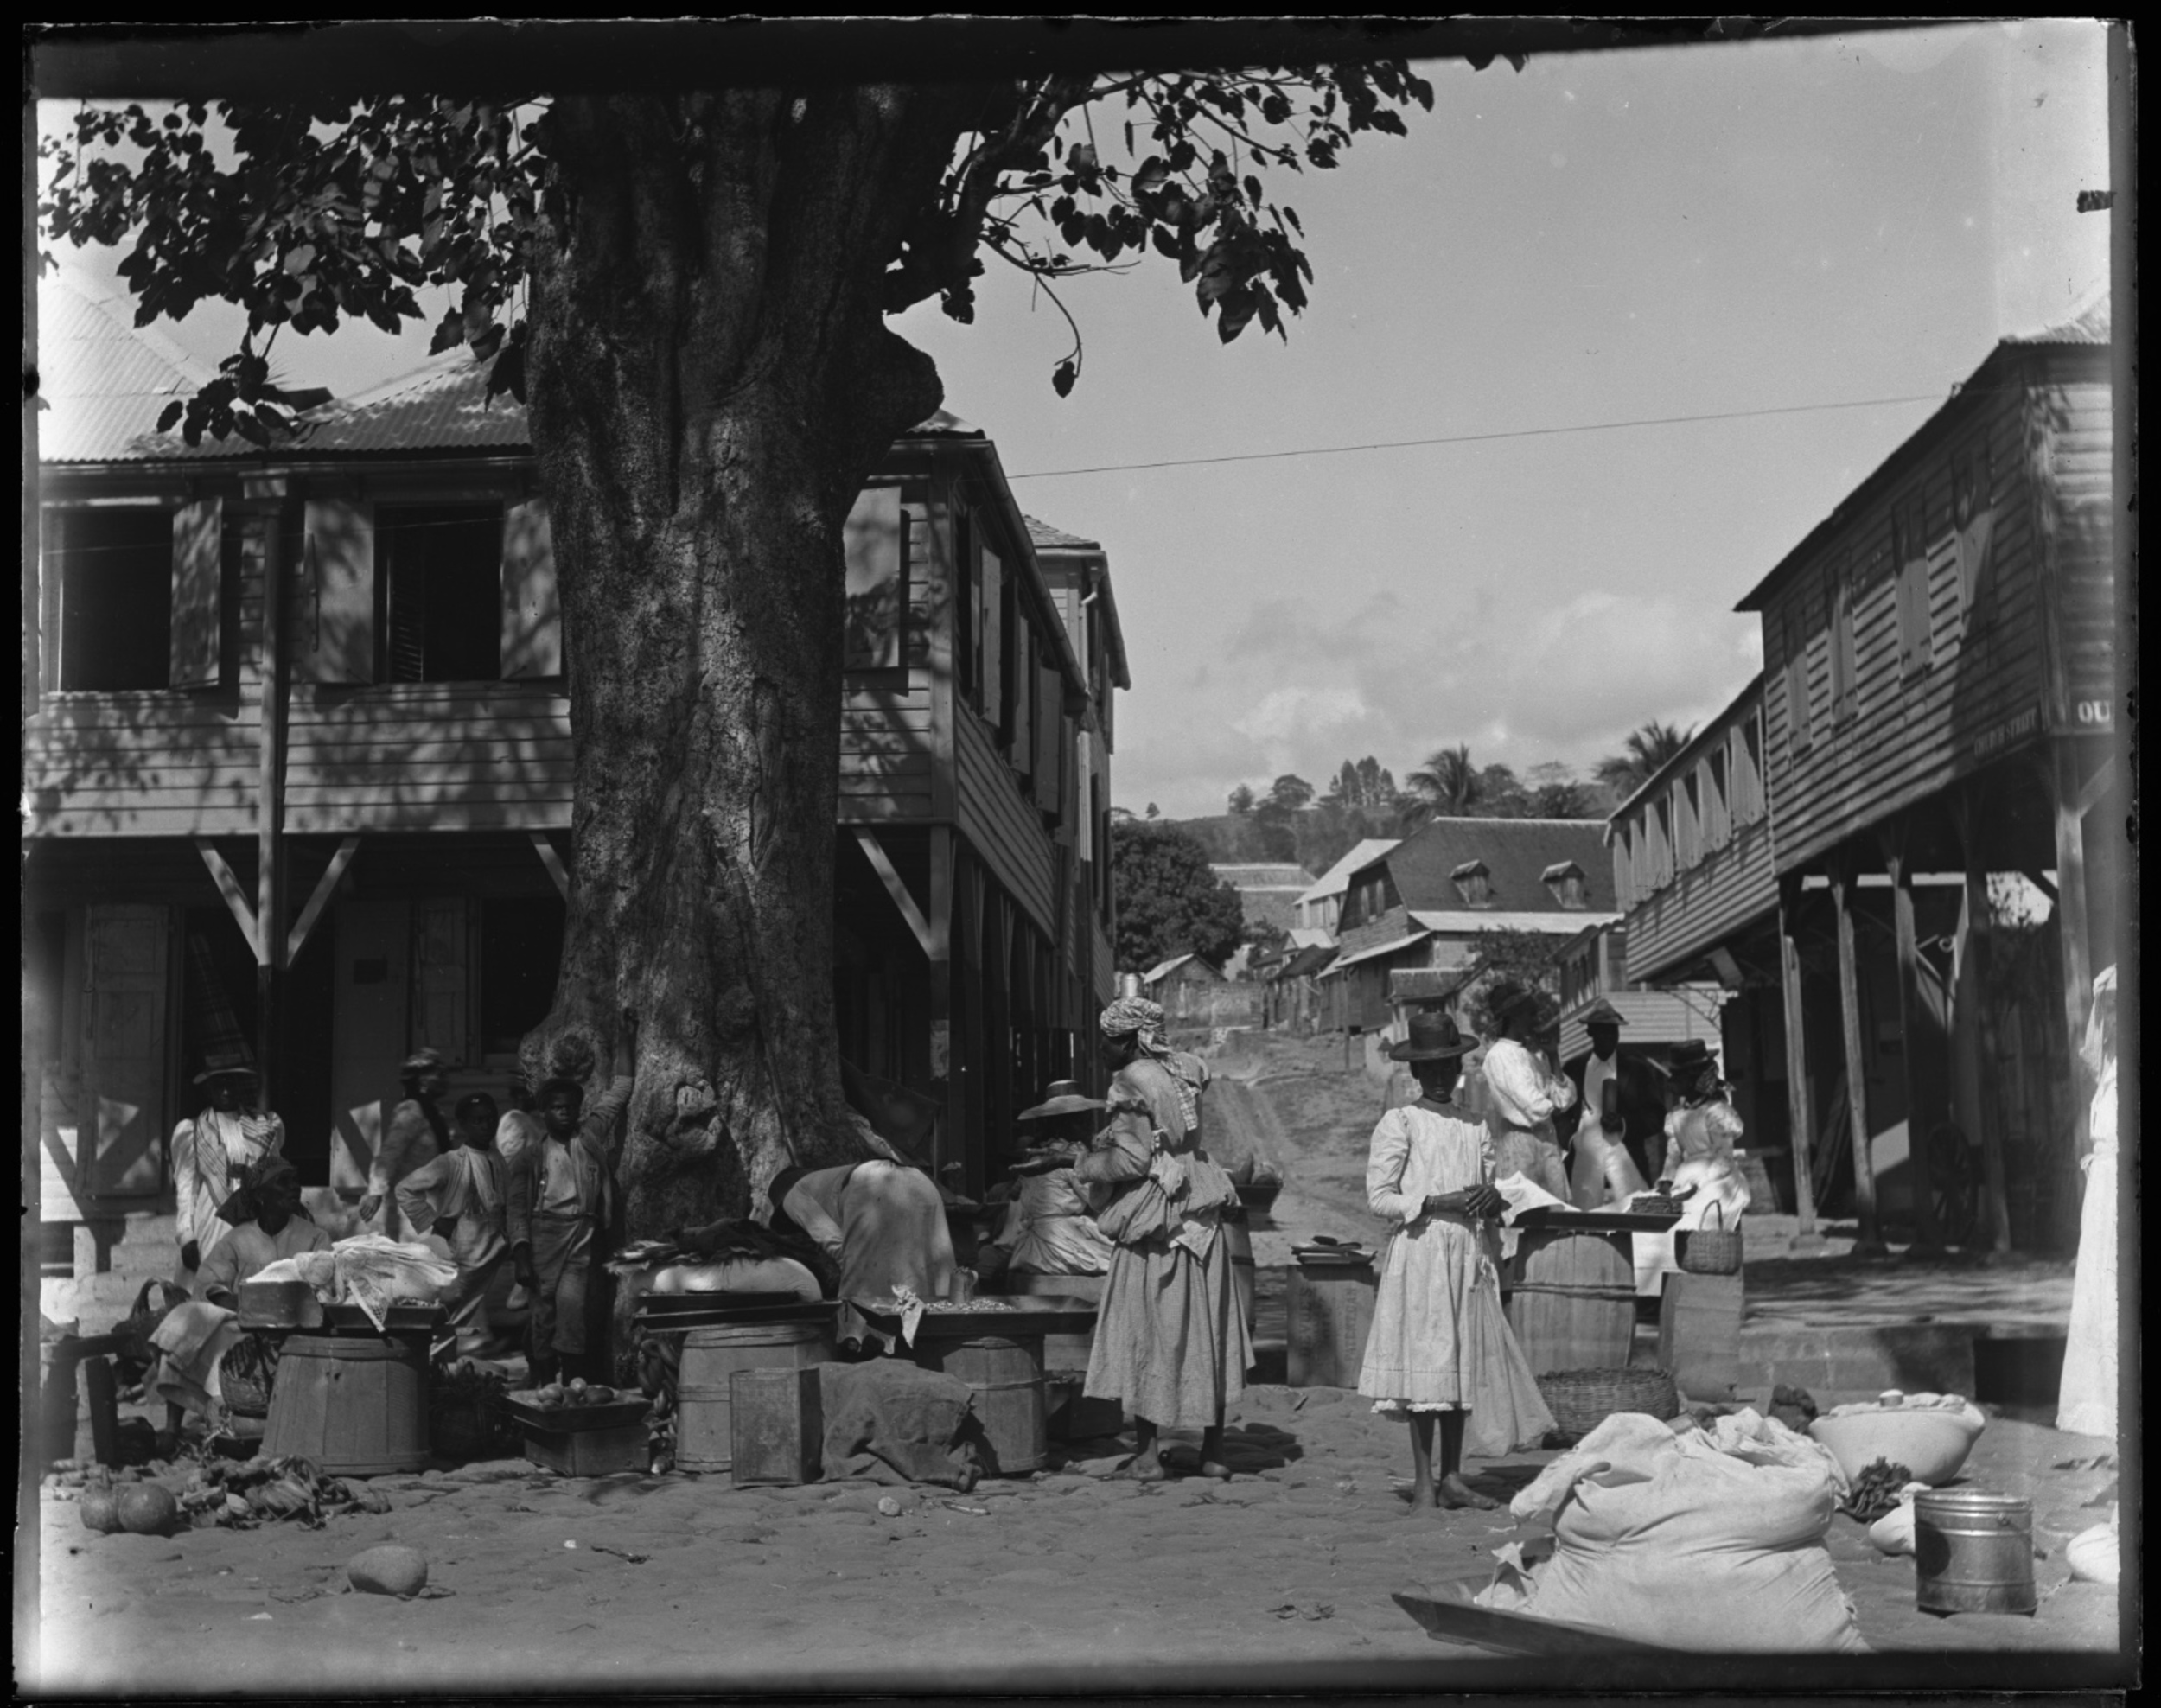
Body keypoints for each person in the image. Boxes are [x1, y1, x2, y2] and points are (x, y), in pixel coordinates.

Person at [1358, 1010, 1557, 1511]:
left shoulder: (1475, 1126)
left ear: (1458, 1068)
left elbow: (1487, 1186)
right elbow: (1379, 1196)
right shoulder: (1401, 1122)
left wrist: (1492, 1201)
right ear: (1417, 1074)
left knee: (1461, 1365)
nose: (1443, 1076)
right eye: (1433, 1069)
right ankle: (1424, 1481)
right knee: (1429, 1364)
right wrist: (1430, 1202)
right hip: (1424, 1252)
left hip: (1468, 1256)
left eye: (1450, 1066)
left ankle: (1453, 1476)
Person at [1075, 996, 1249, 1482]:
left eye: (1109, 1042)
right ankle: (1214, 1452)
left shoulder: (1129, 1083)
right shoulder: (1188, 1068)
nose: (1102, 1050)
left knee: (1147, 1327)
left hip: (1157, 1213)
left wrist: (1085, 1165)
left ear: (1130, 1040)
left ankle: (1149, 1456)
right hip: (1202, 1207)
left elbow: (1132, 1161)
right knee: (1207, 1328)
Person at [151, 1154, 331, 1426]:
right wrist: (243, 1306)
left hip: (297, 1328)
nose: (294, 1188)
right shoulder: (237, 1239)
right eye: (283, 1182)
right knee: (187, 1318)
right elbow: (209, 1284)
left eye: (295, 1181)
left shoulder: (314, 1237)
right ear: (260, 1196)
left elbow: (326, 1285)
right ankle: (175, 1428)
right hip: (245, 1327)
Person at [507, 1068, 634, 1386]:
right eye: (556, 1107)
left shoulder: (588, 1138)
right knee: (543, 1314)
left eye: (571, 1107)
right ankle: (544, 1383)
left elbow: (620, 1089)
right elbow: (516, 1213)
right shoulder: (529, 1159)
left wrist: (625, 1035)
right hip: (543, 1238)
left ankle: (574, 1385)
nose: (565, 1112)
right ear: (544, 1112)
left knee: (572, 1313)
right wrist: (521, 1255)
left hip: (581, 1236)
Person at [762, 1155, 962, 1324]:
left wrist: (847, 1279)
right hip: (921, 1182)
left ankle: (863, 1346)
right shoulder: (822, 1181)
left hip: (873, 1186)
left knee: (860, 1303)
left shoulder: (794, 1195)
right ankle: (939, 1331)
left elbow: (834, 1242)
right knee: (932, 1267)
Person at [396, 1091, 517, 1358]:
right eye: (476, 1121)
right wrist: (432, 1223)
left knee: (464, 1317)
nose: (485, 1125)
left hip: (492, 1252)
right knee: (448, 1318)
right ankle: (436, 1376)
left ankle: (454, 1370)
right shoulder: (450, 1163)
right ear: (463, 1124)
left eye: (489, 1119)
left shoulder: (497, 1160)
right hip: (464, 1253)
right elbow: (405, 1188)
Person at [1634, 1038, 1752, 1294]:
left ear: (1696, 1077)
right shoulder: (1677, 1114)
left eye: (1679, 1076)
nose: (1674, 1081)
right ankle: (1660, 1292)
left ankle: (1715, 1293)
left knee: (1698, 1217)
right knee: (1651, 1214)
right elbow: (1674, 1155)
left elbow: (1724, 1159)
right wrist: (1666, 1180)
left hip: (1719, 1181)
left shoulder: (1717, 1112)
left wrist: (1697, 1185)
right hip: (1685, 1181)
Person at [2057, 966, 2118, 1442]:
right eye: (2109, 1008)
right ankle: (2099, 1400)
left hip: (2121, 1182)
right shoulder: (2110, 1067)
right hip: (2102, 1187)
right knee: (2097, 1291)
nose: (2113, 1017)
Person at [981, 1080, 1114, 1279]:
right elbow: (1098, 1201)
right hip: (1061, 1242)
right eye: (1085, 1118)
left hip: (1030, 1246)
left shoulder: (1037, 1155)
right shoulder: (1072, 1153)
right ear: (1076, 1121)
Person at [171, 1058, 286, 1284]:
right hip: (214, 1219)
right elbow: (186, 1188)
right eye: (218, 1084)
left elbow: (274, 1174)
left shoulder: (263, 1126)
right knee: (214, 1282)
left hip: (253, 1217)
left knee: (252, 1282)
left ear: (240, 1085)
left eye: (231, 1083)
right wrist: (186, 1236)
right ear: (208, 1089)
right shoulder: (193, 1130)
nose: (225, 1090)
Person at [1476, 979, 1577, 1204]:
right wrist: (1556, 1111)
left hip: (1546, 1143)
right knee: (1522, 1210)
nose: (1536, 1020)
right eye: (1530, 1014)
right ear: (1514, 1016)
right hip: (1519, 1146)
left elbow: (1563, 1098)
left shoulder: (1532, 1057)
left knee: (1556, 1211)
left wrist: (1553, 1055)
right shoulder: (1499, 1056)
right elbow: (1534, 1106)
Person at [1563, 1000, 1654, 1210]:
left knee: (1636, 1213)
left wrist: (1623, 1124)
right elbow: (1562, 1115)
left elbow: (1655, 1116)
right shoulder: (1574, 1068)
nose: (1608, 1038)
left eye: (1613, 1032)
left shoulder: (1636, 1069)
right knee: (1582, 1215)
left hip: (1626, 1155)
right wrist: (1571, 1141)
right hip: (1585, 1157)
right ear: (1590, 1033)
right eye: (1602, 1032)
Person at [359, 1048, 453, 1242]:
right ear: (423, 1079)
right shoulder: (411, 1110)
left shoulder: (433, 1113)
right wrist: (375, 1192)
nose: (443, 1079)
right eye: (438, 1073)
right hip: (414, 1209)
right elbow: (389, 1154)